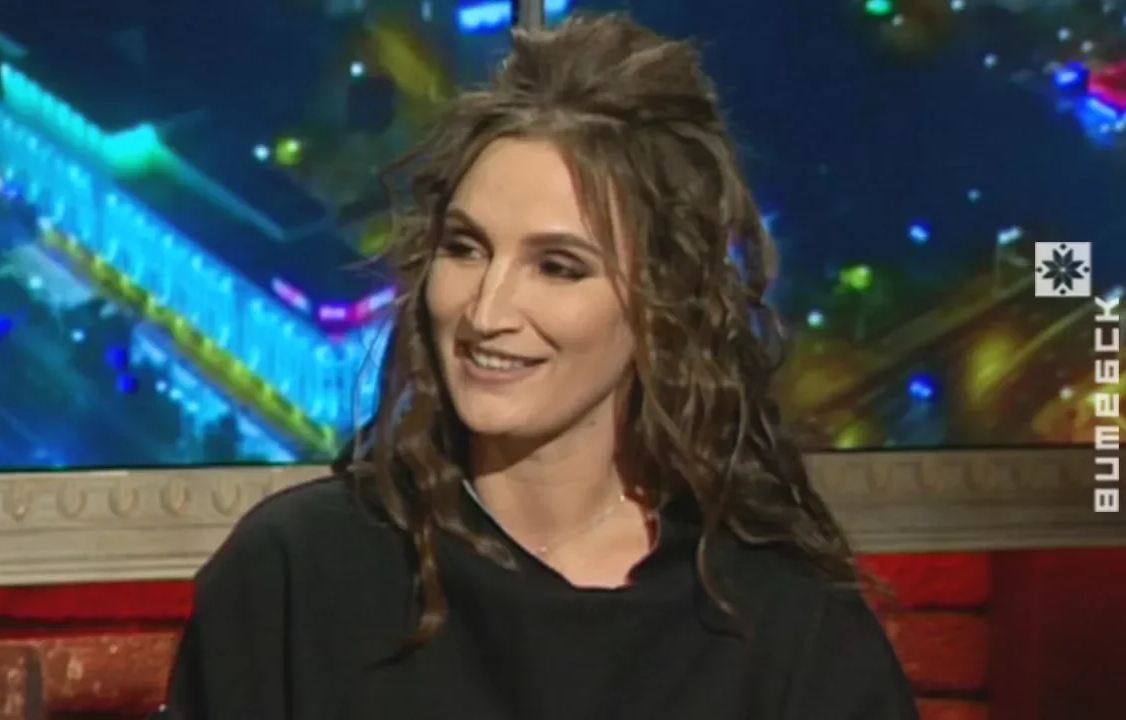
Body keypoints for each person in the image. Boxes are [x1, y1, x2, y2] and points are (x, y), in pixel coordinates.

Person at [164, 13, 917, 720]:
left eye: (558, 267)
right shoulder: (295, 574)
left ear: (663, 300)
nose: (486, 311)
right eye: (466, 249)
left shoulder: (785, 623)